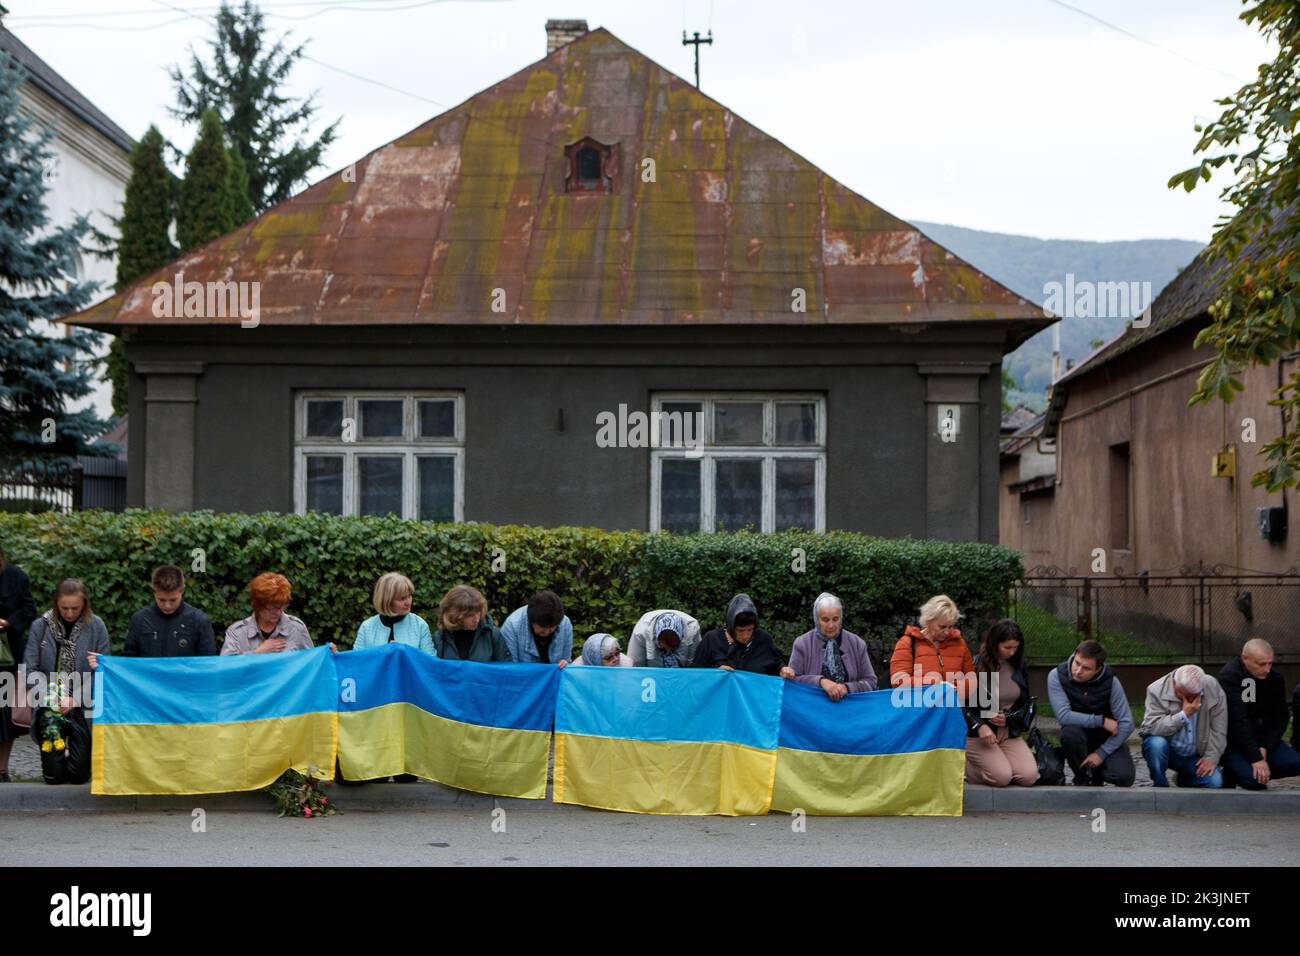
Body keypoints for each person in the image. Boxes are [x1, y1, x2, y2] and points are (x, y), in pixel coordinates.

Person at [22, 580, 109, 786]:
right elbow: (30, 669)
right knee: (53, 778)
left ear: (85, 605)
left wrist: (75, 698)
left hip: (82, 704)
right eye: (64, 608)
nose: (69, 613)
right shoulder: (40, 626)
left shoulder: (96, 626)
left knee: (79, 777)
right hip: (49, 704)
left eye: (75, 608)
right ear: (56, 604)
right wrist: (51, 697)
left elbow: (103, 671)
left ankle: (80, 758)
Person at [1047, 640, 1136, 787]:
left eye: (1086, 668)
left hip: (1105, 738)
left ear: (1098, 669)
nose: (1078, 671)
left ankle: (1096, 772)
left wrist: (1101, 753)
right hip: (1077, 736)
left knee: (1124, 777)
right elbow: (1063, 716)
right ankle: (1084, 776)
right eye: (1077, 663)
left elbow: (1127, 723)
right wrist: (1101, 721)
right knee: (1069, 734)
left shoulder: (1111, 681)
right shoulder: (1056, 675)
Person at [963, 618, 1039, 787]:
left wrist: (1009, 719)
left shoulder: (1018, 665)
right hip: (980, 734)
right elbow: (963, 704)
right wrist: (980, 725)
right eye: (1007, 647)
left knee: (1029, 776)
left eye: (1016, 647)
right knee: (1002, 777)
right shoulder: (976, 665)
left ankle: (999, 761)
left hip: (1008, 732)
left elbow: (1025, 703)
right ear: (994, 643)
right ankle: (966, 767)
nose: (1012, 652)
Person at [1215, 639, 1300, 790]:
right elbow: (1238, 721)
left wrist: (1265, 747)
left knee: (1296, 763)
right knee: (1255, 782)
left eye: (1270, 663)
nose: (1267, 669)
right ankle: (1230, 772)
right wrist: (1256, 758)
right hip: (1234, 743)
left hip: (1262, 740)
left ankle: (1253, 772)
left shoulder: (1275, 679)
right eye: (1261, 664)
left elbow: (1281, 717)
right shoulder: (1230, 677)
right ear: (1245, 658)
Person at [1139, 664, 1226, 788]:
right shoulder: (1156, 689)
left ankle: (1183, 780)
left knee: (1215, 783)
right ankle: (1160, 786)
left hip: (1195, 754)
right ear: (1176, 687)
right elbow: (1151, 728)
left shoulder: (1211, 685)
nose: (1191, 699)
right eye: (1186, 695)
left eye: (1196, 695)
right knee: (1156, 744)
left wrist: (1211, 758)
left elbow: (1219, 727)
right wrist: (1184, 715)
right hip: (1168, 750)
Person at [780, 592, 876, 699]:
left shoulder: (857, 643)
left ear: (841, 618)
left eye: (835, 619)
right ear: (817, 620)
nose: (831, 625)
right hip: (812, 709)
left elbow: (871, 682)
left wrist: (847, 688)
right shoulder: (802, 643)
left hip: (851, 709)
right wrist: (820, 681)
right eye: (825, 620)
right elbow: (792, 681)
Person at [0, 545, 38, 782]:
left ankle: (2, 770)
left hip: (9, 656)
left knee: (6, 717)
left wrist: (8, 622)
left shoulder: (17, 577)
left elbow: (29, 609)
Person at [889, 595, 975, 697]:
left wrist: (955, 690)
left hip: (953, 707)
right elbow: (898, 681)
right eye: (942, 627)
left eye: (951, 626)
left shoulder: (959, 643)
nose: (947, 632)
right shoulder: (907, 643)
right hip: (920, 709)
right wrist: (936, 684)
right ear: (928, 620)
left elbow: (972, 679)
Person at [122, 565, 216, 657]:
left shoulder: (199, 621)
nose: (167, 606)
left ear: (182, 590)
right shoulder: (139, 620)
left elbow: (207, 663)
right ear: (154, 590)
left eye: (173, 600)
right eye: (161, 600)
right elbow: (129, 662)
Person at [222, 572, 318, 655]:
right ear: (258, 605)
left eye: (282, 606)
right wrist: (257, 653)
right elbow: (227, 669)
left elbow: (312, 664)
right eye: (273, 608)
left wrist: (330, 654)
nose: (279, 612)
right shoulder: (237, 632)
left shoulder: (296, 628)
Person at [692, 594, 783, 675]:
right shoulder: (712, 639)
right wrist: (715, 673)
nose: (745, 636)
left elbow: (775, 666)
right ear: (731, 627)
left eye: (750, 630)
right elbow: (696, 673)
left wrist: (783, 669)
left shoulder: (763, 640)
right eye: (740, 630)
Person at [353, 572, 435, 653]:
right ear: (387, 601)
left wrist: (404, 654)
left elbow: (430, 662)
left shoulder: (419, 625)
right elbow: (357, 662)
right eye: (402, 598)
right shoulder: (367, 627)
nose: (408, 602)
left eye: (409, 596)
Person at [431, 585, 511, 662]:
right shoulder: (440, 638)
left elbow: (505, 670)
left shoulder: (492, 635)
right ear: (455, 616)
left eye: (478, 612)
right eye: (470, 615)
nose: (476, 619)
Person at [500, 591, 572, 666]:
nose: (547, 632)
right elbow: (510, 667)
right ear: (531, 620)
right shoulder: (512, 626)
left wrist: (565, 664)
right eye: (543, 629)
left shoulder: (565, 624)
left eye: (551, 629)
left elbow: (567, 660)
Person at [627, 609, 701, 667]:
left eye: (673, 647)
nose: (668, 650)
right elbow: (636, 666)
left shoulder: (693, 629)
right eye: (664, 647)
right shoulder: (640, 632)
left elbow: (693, 663)